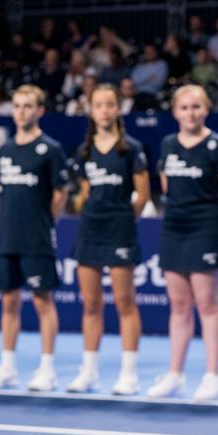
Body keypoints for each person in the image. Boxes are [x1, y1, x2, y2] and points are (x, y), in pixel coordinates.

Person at [148, 84, 218, 401]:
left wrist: (213, 226)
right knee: (179, 305)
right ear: (175, 112)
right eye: (185, 107)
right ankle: (175, 374)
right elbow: (166, 185)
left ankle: (212, 376)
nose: (191, 113)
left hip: (206, 229)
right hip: (173, 227)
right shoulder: (167, 144)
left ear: (206, 110)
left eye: (197, 107)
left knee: (208, 304)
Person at [0, 85, 72, 390]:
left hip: (37, 238)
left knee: (42, 302)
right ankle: (7, 366)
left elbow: (60, 192)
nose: (21, 111)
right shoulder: (4, 150)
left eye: (27, 106)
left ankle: (47, 369)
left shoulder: (50, 149)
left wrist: (44, 221)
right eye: (17, 106)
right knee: (8, 303)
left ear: (40, 111)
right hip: (7, 238)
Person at [67, 83, 150, 393]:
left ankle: (129, 374)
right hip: (89, 229)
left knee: (125, 303)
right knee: (90, 304)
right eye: (98, 105)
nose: (104, 110)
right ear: (91, 110)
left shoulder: (132, 149)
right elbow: (87, 194)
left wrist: (123, 219)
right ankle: (88, 371)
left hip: (120, 230)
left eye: (109, 104)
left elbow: (142, 196)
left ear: (118, 109)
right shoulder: (83, 151)